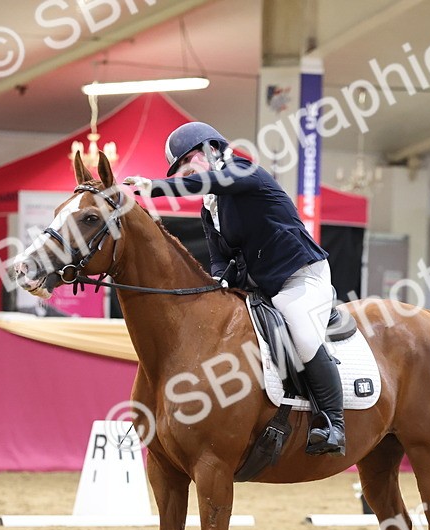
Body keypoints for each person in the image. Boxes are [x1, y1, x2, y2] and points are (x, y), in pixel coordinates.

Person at [123, 122, 345, 456]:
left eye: (188, 161)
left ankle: (333, 423)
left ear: (212, 149)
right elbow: (217, 258)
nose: (185, 171)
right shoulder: (210, 210)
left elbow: (209, 180)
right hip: (261, 287)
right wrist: (219, 284)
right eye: (179, 167)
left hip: (300, 275)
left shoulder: (243, 172)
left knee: (298, 328)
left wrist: (156, 187)